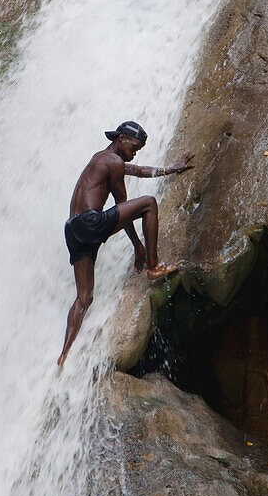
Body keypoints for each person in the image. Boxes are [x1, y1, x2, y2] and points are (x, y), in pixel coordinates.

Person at [57, 120, 194, 366]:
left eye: (138, 150)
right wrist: (137, 246)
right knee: (149, 203)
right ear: (121, 138)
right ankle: (154, 265)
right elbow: (123, 207)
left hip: (73, 229)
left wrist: (171, 169)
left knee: (84, 298)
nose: (134, 153)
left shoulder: (103, 159)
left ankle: (65, 353)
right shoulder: (114, 162)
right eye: (134, 147)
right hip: (90, 222)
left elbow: (138, 171)